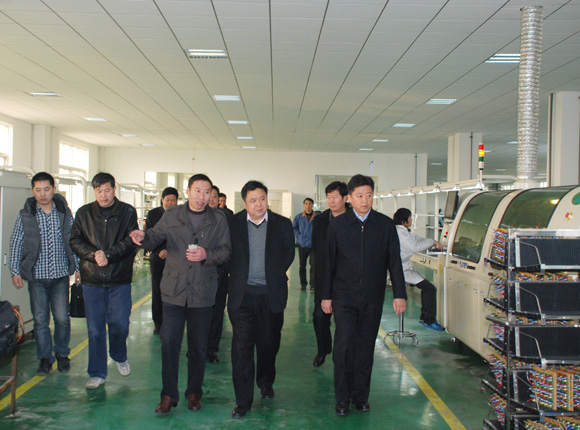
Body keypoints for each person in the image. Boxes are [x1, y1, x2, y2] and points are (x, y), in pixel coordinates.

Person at [130, 174, 231, 414]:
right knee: (169, 344)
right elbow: (155, 236)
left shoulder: (218, 219)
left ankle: (194, 392)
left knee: (198, 346)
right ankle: (168, 395)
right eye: (197, 191)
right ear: (188, 191)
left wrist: (207, 255)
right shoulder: (172, 215)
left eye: (207, 192)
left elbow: (226, 251)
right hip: (174, 290)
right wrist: (143, 237)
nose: (202, 197)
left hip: (202, 291)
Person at [322, 174, 406, 417]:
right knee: (343, 346)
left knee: (365, 347)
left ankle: (360, 396)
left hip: (372, 298)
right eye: (359, 195)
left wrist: (399, 294)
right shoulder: (338, 225)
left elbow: (394, 261)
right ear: (349, 198)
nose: (365, 200)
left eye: (369, 195)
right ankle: (342, 398)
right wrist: (326, 296)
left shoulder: (384, 225)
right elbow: (328, 263)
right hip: (344, 298)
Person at [227, 180, 295, 418]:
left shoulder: (282, 224)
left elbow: (288, 254)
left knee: (268, 345)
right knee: (242, 348)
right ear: (244, 202)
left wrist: (271, 276)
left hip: (270, 295)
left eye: (262, 199)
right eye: (253, 200)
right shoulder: (232, 223)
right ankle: (243, 401)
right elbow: (226, 254)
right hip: (242, 296)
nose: (259, 204)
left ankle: (266, 381)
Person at [70, 172, 138, 390]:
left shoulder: (127, 212)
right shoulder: (84, 213)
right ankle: (97, 373)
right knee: (95, 329)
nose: (103, 195)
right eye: (98, 191)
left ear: (114, 189)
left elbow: (131, 242)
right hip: (92, 280)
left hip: (119, 279)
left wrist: (108, 255)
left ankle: (119, 354)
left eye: (107, 190)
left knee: (120, 323)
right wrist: (94, 255)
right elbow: (75, 240)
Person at [9, 172, 80, 376]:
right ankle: (45, 359)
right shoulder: (26, 215)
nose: (42, 194)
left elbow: (73, 241)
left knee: (62, 318)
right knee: (40, 320)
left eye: (46, 189)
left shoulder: (64, 213)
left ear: (53, 189)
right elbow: (16, 242)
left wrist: (77, 268)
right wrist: (15, 270)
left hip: (60, 276)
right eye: (38, 190)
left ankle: (62, 354)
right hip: (36, 278)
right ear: (33, 191)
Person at [310, 181, 348, 368]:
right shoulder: (320, 221)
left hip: (346, 279)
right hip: (324, 277)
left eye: (335, 197)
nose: (331, 201)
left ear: (345, 198)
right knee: (319, 317)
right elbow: (316, 250)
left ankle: (343, 355)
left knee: (345, 321)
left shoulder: (354, 220)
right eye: (329, 197)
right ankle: (323, 349)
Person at [393, 208, 444, 331]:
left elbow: (415, 239)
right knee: (429, 288)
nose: (411, 220)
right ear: (404, 220)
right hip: (400, 269)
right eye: (410, 218)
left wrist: (432, 242)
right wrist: (431, 242)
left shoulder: (403, 231)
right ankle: (428, 319)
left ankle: (426, 318)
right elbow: (413, 247)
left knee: (428, 288)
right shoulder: (400, 232)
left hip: (404, 267)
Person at [145, 187, 179, 334]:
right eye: (167, 200)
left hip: (175, 259)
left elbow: (180, 237)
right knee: (157, 291)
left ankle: (172, 322)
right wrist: (159, 250)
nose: (170, 203)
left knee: (174, 291)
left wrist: (169, 251)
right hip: (157, 259)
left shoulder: (180, 215)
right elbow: (150, 234)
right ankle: (158, 323)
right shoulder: (153, 214)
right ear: (162, 200)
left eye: (173, 200)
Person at [207, 184, 230, 364]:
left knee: (216, 312)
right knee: (198, 314)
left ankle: (211, 349)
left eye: (215, 196)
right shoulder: (193, 219)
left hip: (220, 273)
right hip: (199, 275)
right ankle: (196, 347)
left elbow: (230, 247)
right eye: (209, 195)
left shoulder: (225, 219)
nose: (212, 199)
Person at [292, 197, 316, 291]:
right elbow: (294, 228)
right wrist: (299, 236)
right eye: (306, 203)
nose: (308, 205)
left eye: (309, 203)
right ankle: (303, 284)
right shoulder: (298, 217)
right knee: (302, 266)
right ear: (304, 205)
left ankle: (313, 285)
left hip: (313, 245)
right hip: (302, 244)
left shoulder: (317, 217)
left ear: (312, 205)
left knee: (314, 265)